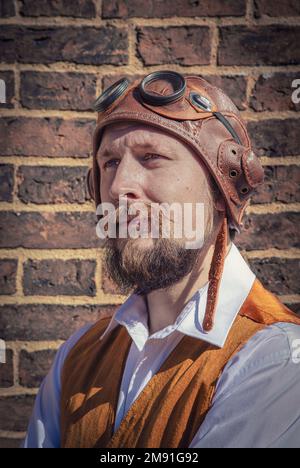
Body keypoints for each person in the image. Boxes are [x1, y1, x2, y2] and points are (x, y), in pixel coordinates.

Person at [23, 71, 300, 448]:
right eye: (109, 163)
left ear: (222, 190)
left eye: (152, 157)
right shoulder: (76, 358)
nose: (120, 187)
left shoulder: (277, 358)